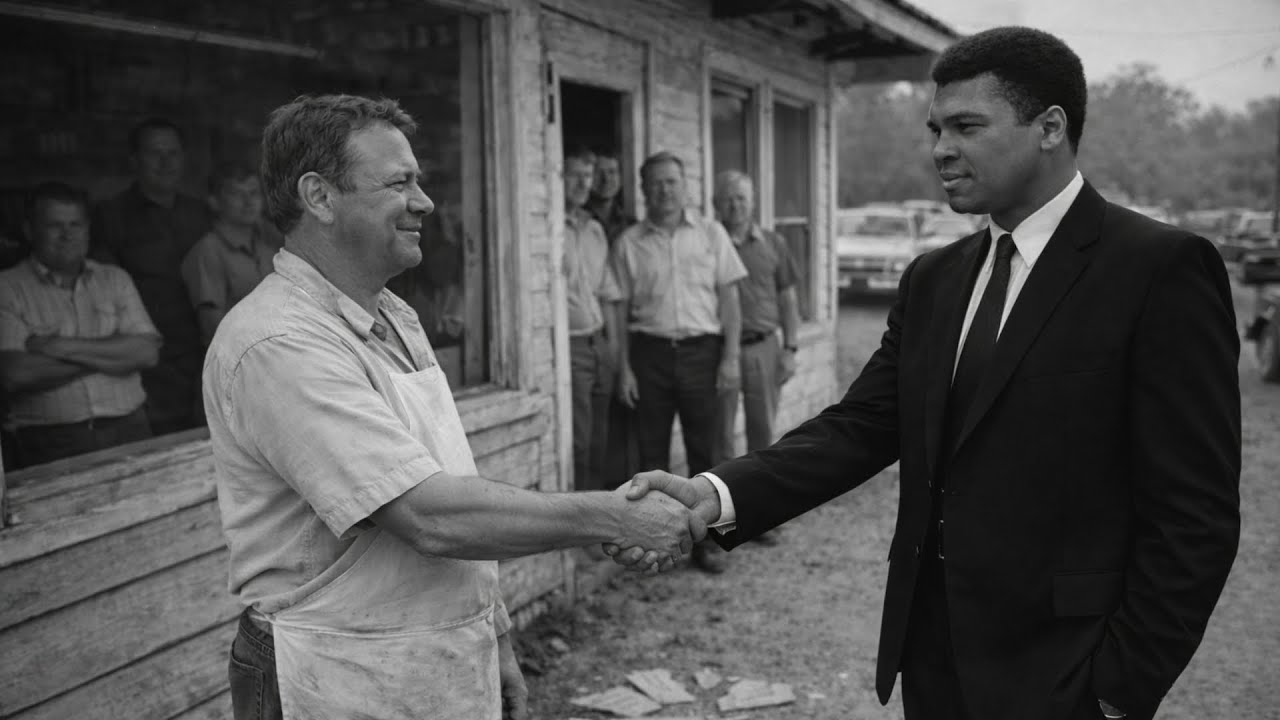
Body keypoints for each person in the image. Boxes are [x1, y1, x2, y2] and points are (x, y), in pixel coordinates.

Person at [616, 27, 1241, 720]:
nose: (940, 149)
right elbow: (862, 426)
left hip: (1068, 667)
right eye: (936, 128)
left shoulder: (1159, 270)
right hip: (933, 658)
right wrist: (717, 492)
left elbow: (1196, 513)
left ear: (1049, 128)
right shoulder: (934, 279)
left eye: (967, 126)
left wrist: (1120, 688)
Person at [203, 94, 702, 720]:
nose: (425, 202)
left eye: (420, 181)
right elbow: (427, 516)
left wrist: (491, 635)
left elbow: (451, 481)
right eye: (398, 183)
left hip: (414, 662)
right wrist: (614, 517)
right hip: (328, 672)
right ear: (320, 197)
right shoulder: (278, 342)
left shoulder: (393, 315)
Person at [611, 151, 747, 573]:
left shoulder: (711, 234)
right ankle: (655, 548)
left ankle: (707, 545)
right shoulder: (629, 243)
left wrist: (729, 358)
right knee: (650, 454)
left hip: (701, 354)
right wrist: (624, 368)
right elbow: (618, 311)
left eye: (672, 181)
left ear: (685, 185)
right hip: (648, 353)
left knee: (704, 451)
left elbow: (730, 300)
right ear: (644, 188)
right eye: (656, 183)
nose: (664, 190)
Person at [0, 182, 161, 467]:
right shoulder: (8, 288)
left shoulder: (114, 279)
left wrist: (54, 346)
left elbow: (147, 353)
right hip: (51, 441)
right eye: (54, 225)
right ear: (29, 230)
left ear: (87, 229)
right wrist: (111, 356)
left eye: (76, 224)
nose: (67, 235)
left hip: (131, 429)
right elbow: (15, 374)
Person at [92, 117, 211, 434]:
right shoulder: (110, 216)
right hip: (149, 365)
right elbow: (102, 291)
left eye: (173, 153)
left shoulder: (200, 213)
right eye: (154, 153)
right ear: (134, 160)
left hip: (203, 355)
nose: (165, 162)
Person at [710, 169, 802, 549]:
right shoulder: (709, 242)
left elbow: (788, 299)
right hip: (721, 352)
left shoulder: (773, 243)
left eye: (742, 198)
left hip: (765, 347)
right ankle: (723, 523)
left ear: (753, 203)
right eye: (728, 198)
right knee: (721, 438)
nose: (735, 205)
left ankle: (760, 517)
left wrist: (791, 348)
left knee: (762, 436)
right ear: (718, 203)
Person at [563, 146, 622, 491]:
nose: (584, 183)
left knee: (600, 437)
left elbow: (608, 293)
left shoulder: (594, 230)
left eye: (588, 176)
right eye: (575, 175)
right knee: (580, 440)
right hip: (571, 347)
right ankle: (581, 516)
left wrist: (612, 348)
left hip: (599, 343)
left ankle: (599, 508)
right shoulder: (551, 229)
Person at [587, 148, 642, 491]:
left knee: (631, 409)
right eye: (601, 172)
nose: (607, 180)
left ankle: (630, 482)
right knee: (597, 417)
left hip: (628, 324)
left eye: (613, 172)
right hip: (594, 324)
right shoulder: (581, 220)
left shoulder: (631, 227)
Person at [181, 160, 278, 348]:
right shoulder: (209, 249)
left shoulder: (268, 245)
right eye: (236, 193)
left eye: (254, 193)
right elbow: (212, 325)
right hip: (238, 356)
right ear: (214, 201)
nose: (248, 201)